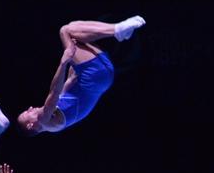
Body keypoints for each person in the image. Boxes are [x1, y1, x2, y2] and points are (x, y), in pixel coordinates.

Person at [16, 16, 145, 134]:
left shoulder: (55, 121)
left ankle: (118, 29)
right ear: (30, 125)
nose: (30, 108)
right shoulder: (44, 120)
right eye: (26, 113)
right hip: (94, 78)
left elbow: (67, 85)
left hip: (102, 78)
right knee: (65, 31)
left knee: (74, 29)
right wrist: (64, 62)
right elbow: (54, 92)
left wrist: (74, 66)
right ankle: (117, 30)